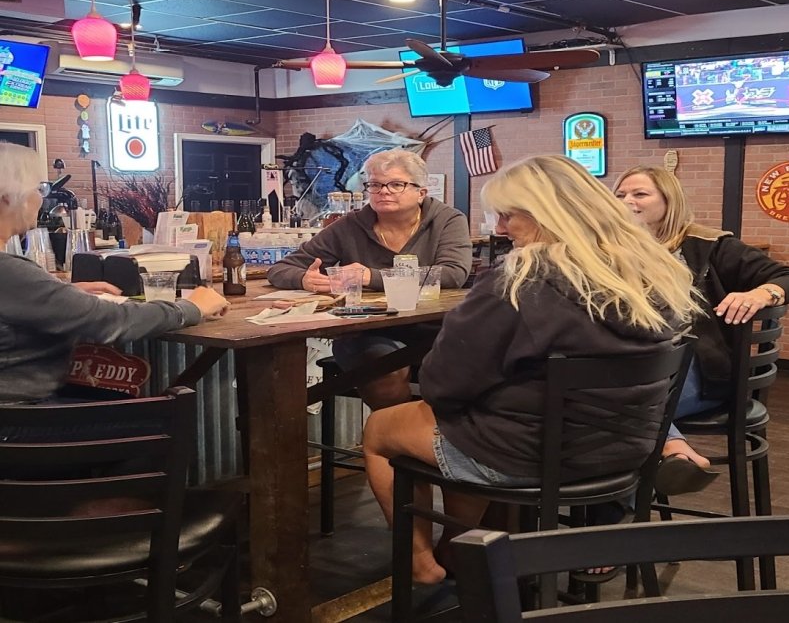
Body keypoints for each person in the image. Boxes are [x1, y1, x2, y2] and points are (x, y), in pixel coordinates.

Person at [362, 154, 702, 584]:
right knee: (468, 416)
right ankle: (459, 546)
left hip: (530, 454)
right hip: (626, 451)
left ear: (546, 214)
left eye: (508, 215)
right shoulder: (654, 272)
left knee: (382, 429)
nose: (501, 228)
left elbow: (441, 384)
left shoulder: (521, 280)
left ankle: (420, 563)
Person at [613, 165, 789, 495]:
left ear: (670, 200)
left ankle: (619, 514)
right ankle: (673, 453)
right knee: (604, 399)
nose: (626, 201)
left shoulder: (708, 245)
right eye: (619, 195)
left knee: (606, 406)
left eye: (640, 194)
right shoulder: (607, 250)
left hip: (702, 371)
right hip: (635, 368)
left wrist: (761, 294)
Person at [0, 142, 230, 412]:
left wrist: (62, 293)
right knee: (173, 409)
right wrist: (191, 308)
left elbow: (19, 299)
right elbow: (111, 321)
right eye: (39, 189)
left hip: (21, 411)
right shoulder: (9, 272)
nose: (42, 199)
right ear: (7, 198)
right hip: (23, 419)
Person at [268, 149, 472, 408]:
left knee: (473, 370)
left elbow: (453, 273)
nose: (383, 191)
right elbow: (281, 269)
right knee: (384, 372)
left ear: (421, 192)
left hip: (433, 327)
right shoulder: (350, 225)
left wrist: (370, 277)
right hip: (365, 330)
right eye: (375, 185)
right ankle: (397, 431)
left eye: (396, 184)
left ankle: (433, 430)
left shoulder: (447, 220)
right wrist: (304, 280)